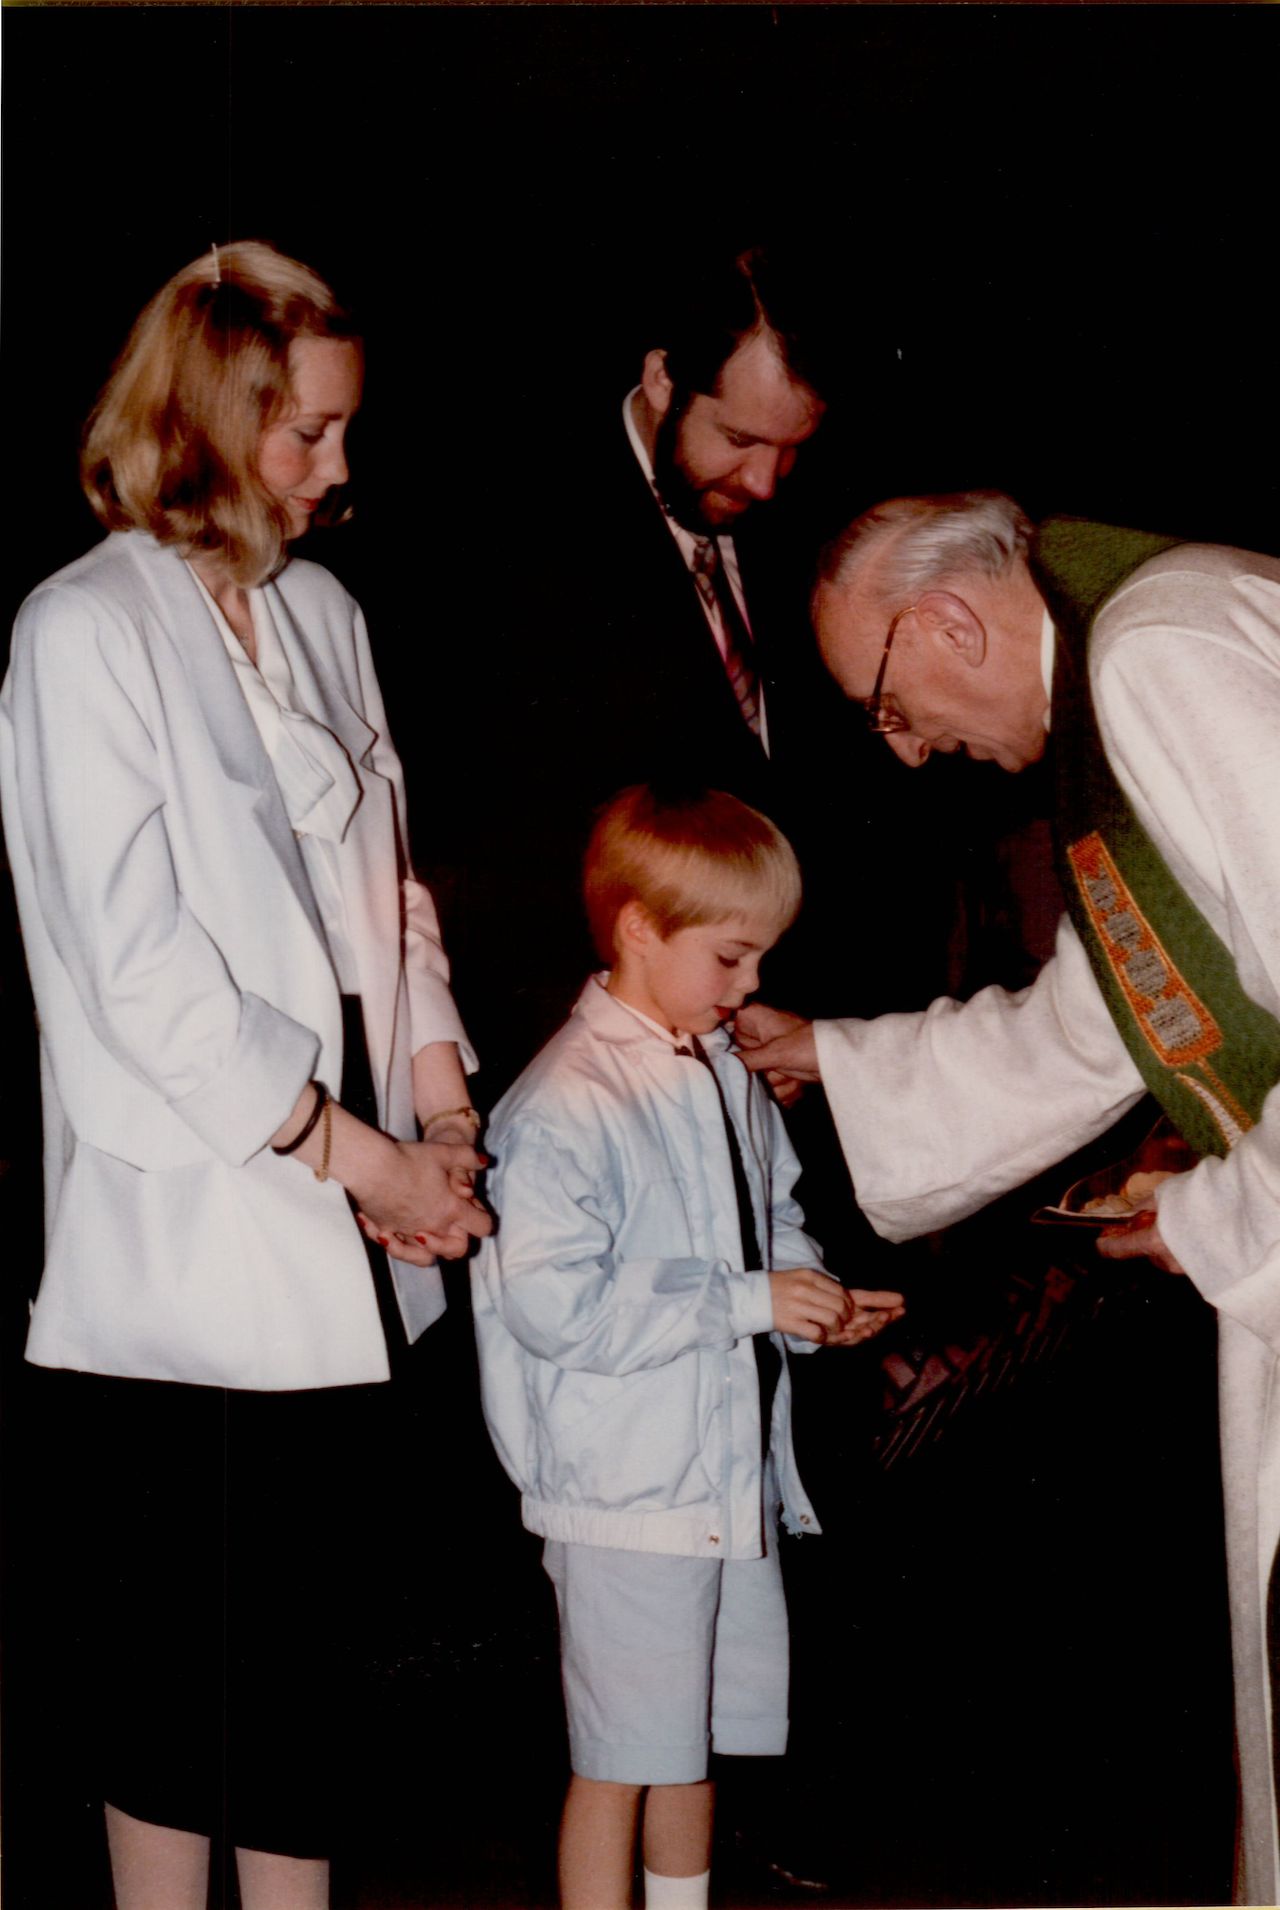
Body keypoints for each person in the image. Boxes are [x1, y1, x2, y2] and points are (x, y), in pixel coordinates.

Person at [0, 241, 491, 1910]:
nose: (342, 470)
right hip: (195, 1250)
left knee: (310, 1696)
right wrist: (360, 1157)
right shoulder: (84, 630)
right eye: (310, 436)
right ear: (211, 422)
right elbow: (138, 967)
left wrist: (444, 1110)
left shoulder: (324, 615)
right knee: (167, 1701)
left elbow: (393, 890)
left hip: (356, 1230)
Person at [735, 490, 1280, 1905]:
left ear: (951, 621)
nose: (911, 750)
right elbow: (1106, 1019)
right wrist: (840, 1059)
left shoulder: (1160, 652)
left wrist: (1222, 1219)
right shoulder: (1118, 682)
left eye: (885, 705)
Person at [470, 784, 904, 1910]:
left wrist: (813, 1299)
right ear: (637, 930)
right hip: (625, 1493)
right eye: (731, 956)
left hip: (716, 1474)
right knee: (618, 1757)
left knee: (692, 1744)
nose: (750, 986)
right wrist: (754, 1297)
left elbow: (774, 1214)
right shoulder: (565, 1098)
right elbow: (556, 1306)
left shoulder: (714, 1068)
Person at [429, 244, 846, 1091]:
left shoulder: (806, 522)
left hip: (766, 1041)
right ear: (662, 378)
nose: (766, 482)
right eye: (738, 437)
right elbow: (494, 849)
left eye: (792, 447)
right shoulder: (510, 530)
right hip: (592, 1062)